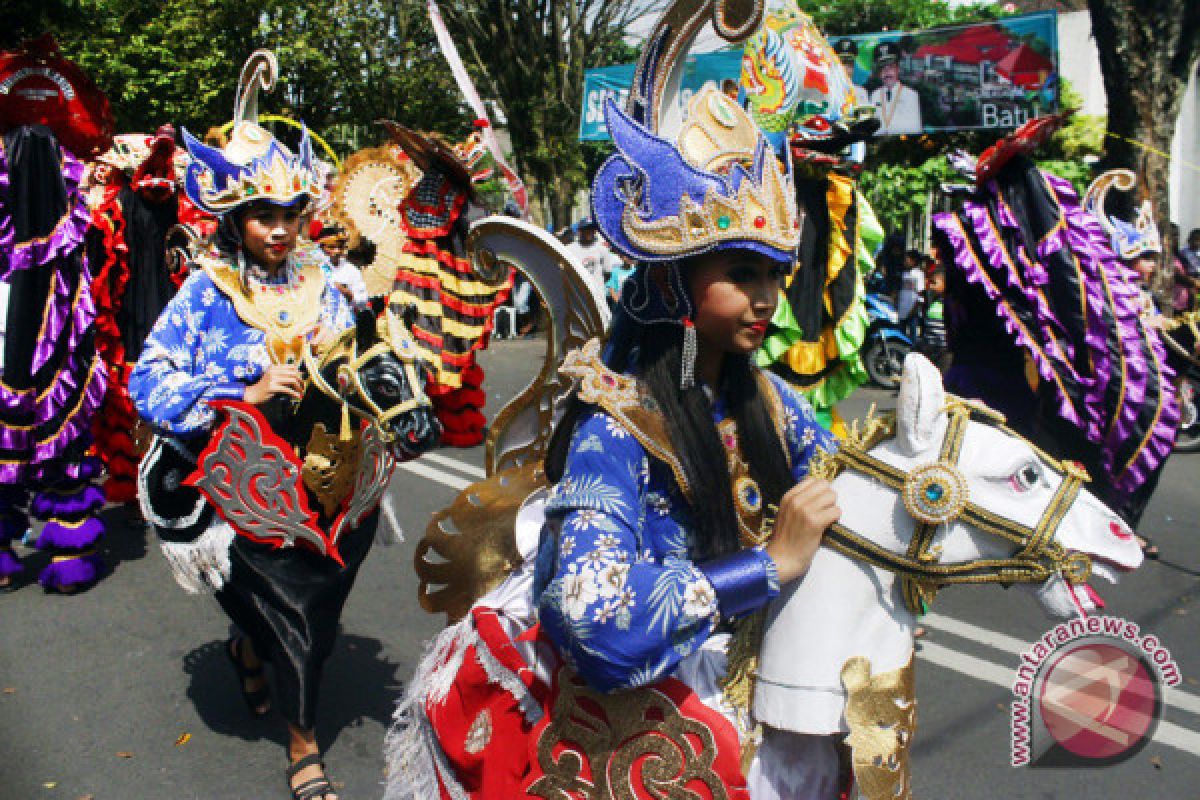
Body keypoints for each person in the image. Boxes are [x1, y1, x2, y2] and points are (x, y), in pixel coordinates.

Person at [385, 83, 844, 800]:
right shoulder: (618, 424)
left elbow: (841, 496)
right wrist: (767, 566)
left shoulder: (774, 402)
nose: (766, 299)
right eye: (743, 274)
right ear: (675, 284)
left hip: (757, 657)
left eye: (776, 276)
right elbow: (591, 613)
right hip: (647, 680)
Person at [129, 54, 380, 800]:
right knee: (293, 617)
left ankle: (251, 648)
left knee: (318, 612)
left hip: (327, 471)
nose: (279, 228)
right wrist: (243, 386)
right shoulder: (207, 291)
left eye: (289, 213)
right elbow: (149, 380)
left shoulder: (327, 282)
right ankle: (304, 750)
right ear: (236, 219)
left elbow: (355, 361)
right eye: (264, 215)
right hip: (240, 483)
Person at [868, 41, 922, 135]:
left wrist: (889, 129)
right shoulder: (874, 95)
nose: (887, 73)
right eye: (883, 68)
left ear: (898, 69)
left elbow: (915, 129)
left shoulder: (910, 95)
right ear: (879, 73)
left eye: (891, 67)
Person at [315, 223, 369, 311]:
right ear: (321, 247)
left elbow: (363, 300)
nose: (337, 251)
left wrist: (349, 295)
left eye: (340, 247)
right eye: (331, 247)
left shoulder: (351, 270)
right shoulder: (314, 268)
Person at [565, 218, 619, 296]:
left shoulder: (602, 249)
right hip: (577, 295)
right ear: (580, 231)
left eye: (592, 229)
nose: (589, 232)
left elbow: (607, 273)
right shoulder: (569, 249)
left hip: (597, 295)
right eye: (586, 229)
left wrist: (596, 284)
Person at [833, 38, 869, 107]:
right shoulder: (829, 93)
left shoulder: (861, 93)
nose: (845, 69)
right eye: (842, 64)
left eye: (849, 64)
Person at [896, 248, 925, 333]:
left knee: (912, 336)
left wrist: (914, 309)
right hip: (902, 310)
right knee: (901, 335)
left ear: (913, 261)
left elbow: (920, 294)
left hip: (913, 311)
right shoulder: (903, 274)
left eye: (907, 259)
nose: (904, 262)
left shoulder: (919, 274)